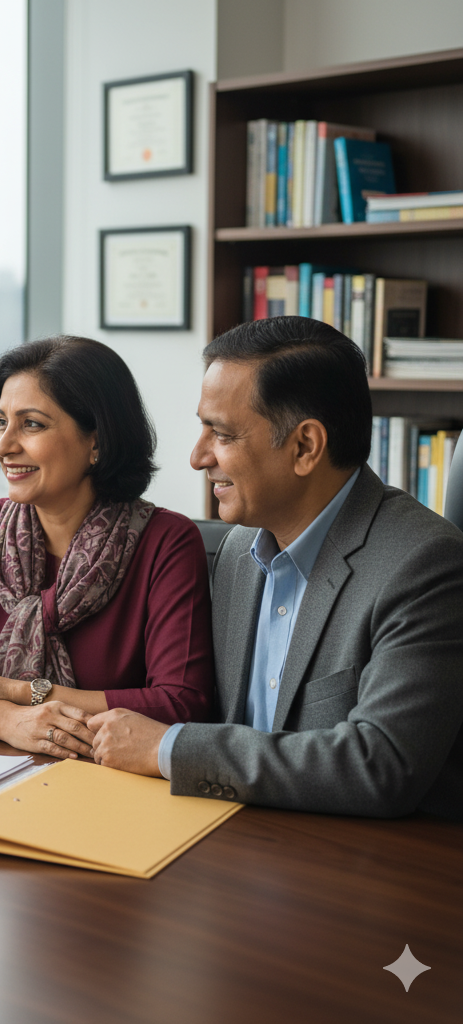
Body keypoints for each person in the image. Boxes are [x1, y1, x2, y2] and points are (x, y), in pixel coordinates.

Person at [88, 316, 463, 819]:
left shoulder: (424, 565)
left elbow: (380, 765)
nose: (198, 457)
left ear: (305, 446)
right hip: (237, 840)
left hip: (364, 868)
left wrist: (167, 749)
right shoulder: (239, 551)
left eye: (220, 434)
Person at [0, 336, 214, 759]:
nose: (3, 446)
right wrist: (4, 719)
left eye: (31, 424)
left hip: (110, 783)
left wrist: (17, 691)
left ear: (97, 440)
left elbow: (182, 703)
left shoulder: (166, 542)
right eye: (1, 422)